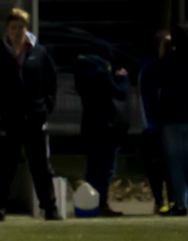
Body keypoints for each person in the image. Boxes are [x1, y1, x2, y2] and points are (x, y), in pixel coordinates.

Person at [0, 8, 59, 221]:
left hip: (34, 118)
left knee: (41, 166)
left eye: (21, 27)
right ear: (7, 29)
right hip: (8, 119)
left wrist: (46, 106)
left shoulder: (38, 52)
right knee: (5, 167)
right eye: (14, 27)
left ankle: (50, 208)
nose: (17, 31)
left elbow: (51, 80)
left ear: (27, 28)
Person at [74, 39, 130, 217]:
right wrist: (122, 78)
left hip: (89, 122)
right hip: (106, 123)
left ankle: (88, 204)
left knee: (93, 165)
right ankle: (101, 203)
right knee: (105, 167)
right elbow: (119, 93)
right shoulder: (101, 72)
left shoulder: (82, 69)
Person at [154, 25, 188, 216]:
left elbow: (157, 78)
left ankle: (181, 203)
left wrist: (163, 48)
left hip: (171, 117)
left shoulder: (168, 60)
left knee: (176, 164)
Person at [139, 30, 174, 214]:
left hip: (160, 122)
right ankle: (166, 200)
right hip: (160, 122)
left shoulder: (154, 65)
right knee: (163, 163)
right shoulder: (155, 66)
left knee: (163, 164)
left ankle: (165, 200)